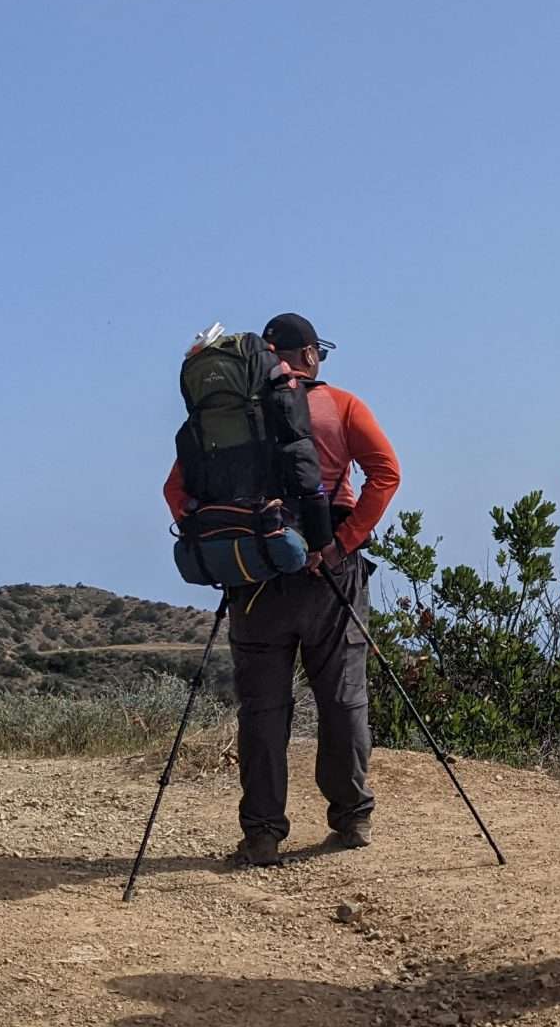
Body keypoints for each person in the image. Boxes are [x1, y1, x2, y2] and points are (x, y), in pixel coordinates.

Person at [163, 312, 401, 868]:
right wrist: (342, 542)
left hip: (253, 575)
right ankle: (351, 816)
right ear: (310, 355)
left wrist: (234, 540)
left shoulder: (223, 416)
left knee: (264, 708)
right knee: (342, 696)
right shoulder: (340, 405)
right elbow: (385, 472)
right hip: (327, 572)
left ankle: (264, 832)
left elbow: (176, 489)